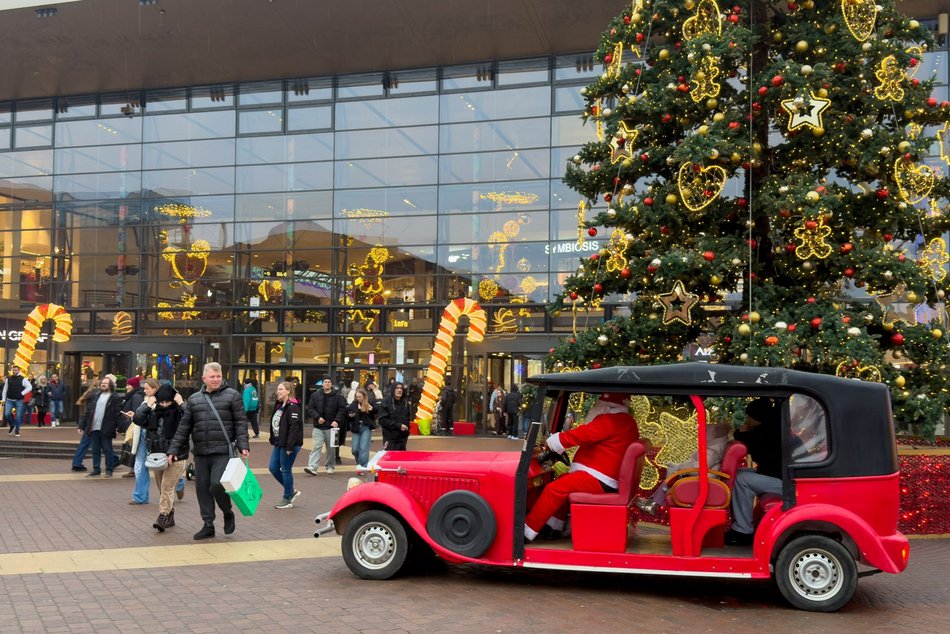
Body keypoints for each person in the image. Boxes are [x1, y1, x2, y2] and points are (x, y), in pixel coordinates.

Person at [524, 392, 639, 541]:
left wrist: (556, 441)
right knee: (564, 481)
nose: (594, 406)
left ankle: (526, 531)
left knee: (554, 489)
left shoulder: (610, 421)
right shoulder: (626, 422)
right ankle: (553, 527)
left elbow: (583, 434)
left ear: (605, 407)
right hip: (604, 477)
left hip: (599, 479)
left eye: (598, 404)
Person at [165, 362, 250, 540]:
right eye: (212, 377)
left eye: (218, 376)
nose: (216, 380)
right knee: (202, 489)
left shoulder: (232, 396)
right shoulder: (195, 399)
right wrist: (173, 449)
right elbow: (184, 426)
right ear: (204, 378)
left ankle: (227, 512)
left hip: (222, 451)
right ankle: (208, 524)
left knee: (217, 485)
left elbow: (241, 423)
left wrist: (243, 445)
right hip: (201, 452)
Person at [634, 422, 730, 516]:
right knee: (671, 478)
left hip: (701, 481)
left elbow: (700, 467)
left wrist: (681, 467)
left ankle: (653, 504)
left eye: (705, 432)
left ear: (712, 436)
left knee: (671, 479)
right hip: (700, 478)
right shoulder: (711, 449)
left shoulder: (711, 452)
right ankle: (653, 502)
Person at [724, 398, 783, 546]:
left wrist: (741, 432)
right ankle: (741, 525)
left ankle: (743, 530)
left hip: (787, 483)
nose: (747, 420)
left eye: (749, 417)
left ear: (757, 416)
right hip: (778, 476)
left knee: (741, 479)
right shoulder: (773, 427)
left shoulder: (769, 431)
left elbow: (750, 441)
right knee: (741, 473)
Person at [135, 382, 187, 531]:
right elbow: (138, 419)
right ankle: (170, 515)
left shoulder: (181, 413)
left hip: (177, 456)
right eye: (161, 402)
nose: (164, 405)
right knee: (162, 489)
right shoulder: (153, 414)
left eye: (168, 401)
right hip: (158, 457)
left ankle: (163, 516)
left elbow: (193, 416)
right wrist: (147, 403)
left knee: (166, 487)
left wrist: (181, 403)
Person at [79, 376, 125, 478]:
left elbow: (118, 414)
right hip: (94, 428)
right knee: (95, 450)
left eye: (106, 383)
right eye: (102, 383)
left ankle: (109, 470)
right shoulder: (96, 396)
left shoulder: (115, 398)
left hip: (106, 428)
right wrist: (82, 425)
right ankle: (96, 469)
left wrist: (121, 428)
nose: (103, 384)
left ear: (110, 385)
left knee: (107, 450)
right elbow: (88, 412)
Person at [269, 381, 303, 509]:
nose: (278, 391)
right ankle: (291, 491)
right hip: (279, 442)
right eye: (278, 389)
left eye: (281, 389)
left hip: (289, 444)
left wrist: (289, 447)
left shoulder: (293, 407)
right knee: (273, 468)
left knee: (285, 469)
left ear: (288, 391)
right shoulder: (279, 405)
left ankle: (287, 498)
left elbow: (294, 428)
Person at [304, 377, 345, 475]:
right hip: (318, 426)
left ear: (331, 384)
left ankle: (330, 466)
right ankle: (312, 467)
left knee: (331, 448)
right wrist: (317, 417)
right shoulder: (315, 395)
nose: (327, 383)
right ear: (322, 384)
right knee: (316, 447)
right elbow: (310, 408)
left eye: (329, 382)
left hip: (332, 427)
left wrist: (336, 420)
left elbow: (342, 410)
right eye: (325, 382)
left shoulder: (338, 396)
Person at [124, 377, 151, 502]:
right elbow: (140, 418)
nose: (144, 391)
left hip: (155, 439)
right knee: (140, 466)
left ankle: (179, 483)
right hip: (141, 436)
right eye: (144, 388)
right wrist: (134, 416)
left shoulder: (162, 402)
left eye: (147, 388)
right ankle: (140, 497)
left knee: (162, 467)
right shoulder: (143, 401)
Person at [347, 387, 377, 472]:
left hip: (366, 427)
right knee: (355, 449)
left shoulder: (369, 403)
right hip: (356, 427)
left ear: (364, 396)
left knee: (364, 448)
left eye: (360, 397)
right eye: (357, 397)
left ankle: (363, 467)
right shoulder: (354, 404)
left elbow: (377, 409)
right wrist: (350, 415)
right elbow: (347, 411)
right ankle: (359, 464)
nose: (358, 398)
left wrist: (372, 410)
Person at [70, 384, 98, 472]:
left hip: (89, 425)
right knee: (103, 444)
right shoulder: (96, 396)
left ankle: (76, 462)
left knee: (86, 444)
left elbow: (85, 413)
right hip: (93, 425)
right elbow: (87, 413)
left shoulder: (88, 395)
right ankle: (77, 463)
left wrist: (81, 426)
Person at [378, 382, 410, 451]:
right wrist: (398, 425)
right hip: (390, 437)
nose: (399, 390)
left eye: (401, 388)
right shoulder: (386, 402)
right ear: (393, 390)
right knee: (390, 458)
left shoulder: (405, 402)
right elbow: (382, 420)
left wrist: (407, 430)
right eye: (397, 388)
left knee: (401, 459)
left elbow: (407, 417)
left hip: (402, 437)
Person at [3, 366, 32, 436]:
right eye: (13, 370)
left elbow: (30, 387)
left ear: (19, 371)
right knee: (7, 414)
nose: (14, 371)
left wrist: (22, 393)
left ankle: (17, 430)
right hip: (9, 399)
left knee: (18, 416)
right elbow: (5, 389)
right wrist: (4, 399)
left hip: (19, 400)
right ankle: (12, 425)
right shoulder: (8, 379)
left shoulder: (23, 379)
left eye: (15, 370)